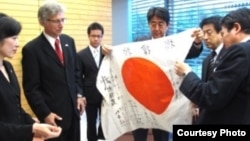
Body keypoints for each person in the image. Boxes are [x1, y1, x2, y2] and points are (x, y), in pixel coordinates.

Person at [102, 6, 203, 141]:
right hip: (141, 97)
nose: (156, 28)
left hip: (165, 100)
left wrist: (196, 42)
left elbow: (194, 52)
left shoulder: (175, 44)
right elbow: (126, 59)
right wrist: (110, 52)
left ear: (168, 25)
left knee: (161, 136)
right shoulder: (140, 41)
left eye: (160, 24)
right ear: (149, 24)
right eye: (153, 24)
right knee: (139, 134)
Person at [21, 1, 85, 141]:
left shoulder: (69, 41)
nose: (61, 24)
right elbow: (31, 89)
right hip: (53, 117)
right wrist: (45, 113)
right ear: (42, 22)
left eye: (63, 20)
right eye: (56, 21)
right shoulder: (32, 50)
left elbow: (76, 72)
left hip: (74, 113)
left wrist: (79, 95)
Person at [174, 7, 250, 124]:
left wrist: (187, 73)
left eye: (223, 33)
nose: (223, 39)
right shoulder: (208, 60)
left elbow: (212, 96)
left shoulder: (240, 51)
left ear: (236, 28)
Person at [0, 13, 61, 141]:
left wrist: (35, 124)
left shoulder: (8, 67)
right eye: (14, 38)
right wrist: (31, 129)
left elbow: (15, 108)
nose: (18, 44)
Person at [192, 15, 224, 123]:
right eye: (204, 33)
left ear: (222, 32)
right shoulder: (207, 60)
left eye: (209, 33)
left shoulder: (230, 57)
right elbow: (205, 88)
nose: (205, 37)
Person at [77, 22, 105, 141]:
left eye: (99, 36)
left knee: (104, 119)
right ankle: (91, 139)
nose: (96, 39)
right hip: (90, 93)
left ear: (102, 37)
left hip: (105, 93)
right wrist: (81, 95)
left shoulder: (106, 53)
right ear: (88, 36)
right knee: (91, 120)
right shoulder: (81, 55)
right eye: (93, 36)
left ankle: (102, 138)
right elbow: (78, 77)